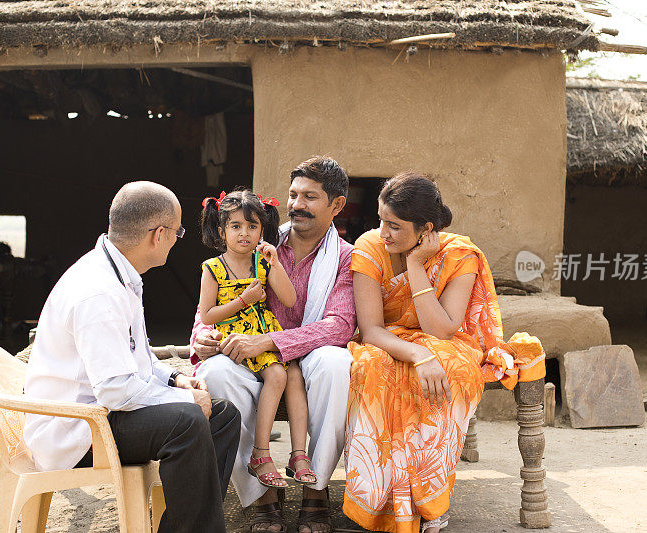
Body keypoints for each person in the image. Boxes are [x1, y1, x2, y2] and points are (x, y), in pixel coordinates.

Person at [24, 181, 241, 533]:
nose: (176, 240)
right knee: (187, 419)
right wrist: (185, 398)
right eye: (177, 232)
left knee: (224, 415)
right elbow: (116, 391)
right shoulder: (99, 292)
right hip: (75, 429)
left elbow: (135, 355)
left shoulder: (120, 274)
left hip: (102, 413)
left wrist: (175, 379)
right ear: (158, 234)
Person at [343, 173, 546, 533]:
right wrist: (416, 355)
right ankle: (378, 500)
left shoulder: (458, 254)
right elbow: (371, 329)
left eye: (394, 226)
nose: (383, 232)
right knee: (373, 368)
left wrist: (417, 265)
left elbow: (442, 329)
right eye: (380, 220)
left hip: (444, 340)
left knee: (450, 364)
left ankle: (429, 499)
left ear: (427, 229)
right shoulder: (370, 246)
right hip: (386, 340)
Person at [191, 156, 356, 533]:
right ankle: (262, 495)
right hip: (251, 359)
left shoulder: (346, 258)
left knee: (335, 364)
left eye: (310, 197)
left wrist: (268, 341)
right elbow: (210, 308)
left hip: (306, 360)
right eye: (293, 194)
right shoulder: (255, 244)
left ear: (337, 205)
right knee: (216, 373)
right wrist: (203, 338)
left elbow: (340, 326)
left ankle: (315, 490)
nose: (297, 204)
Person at [199, 189, 317, 489]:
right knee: (278, 374)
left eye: (252, 227)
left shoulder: (263, 262)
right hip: (236, 336)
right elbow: (208, 315)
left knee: (294, 375)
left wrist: (275, 264)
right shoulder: (212, 269)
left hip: (263, 333)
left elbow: (289, 300)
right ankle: (261, 453)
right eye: (236, 226)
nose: (244, 234)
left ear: (263, 230)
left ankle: (298, 455)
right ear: (222, 230)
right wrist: (243, 300)